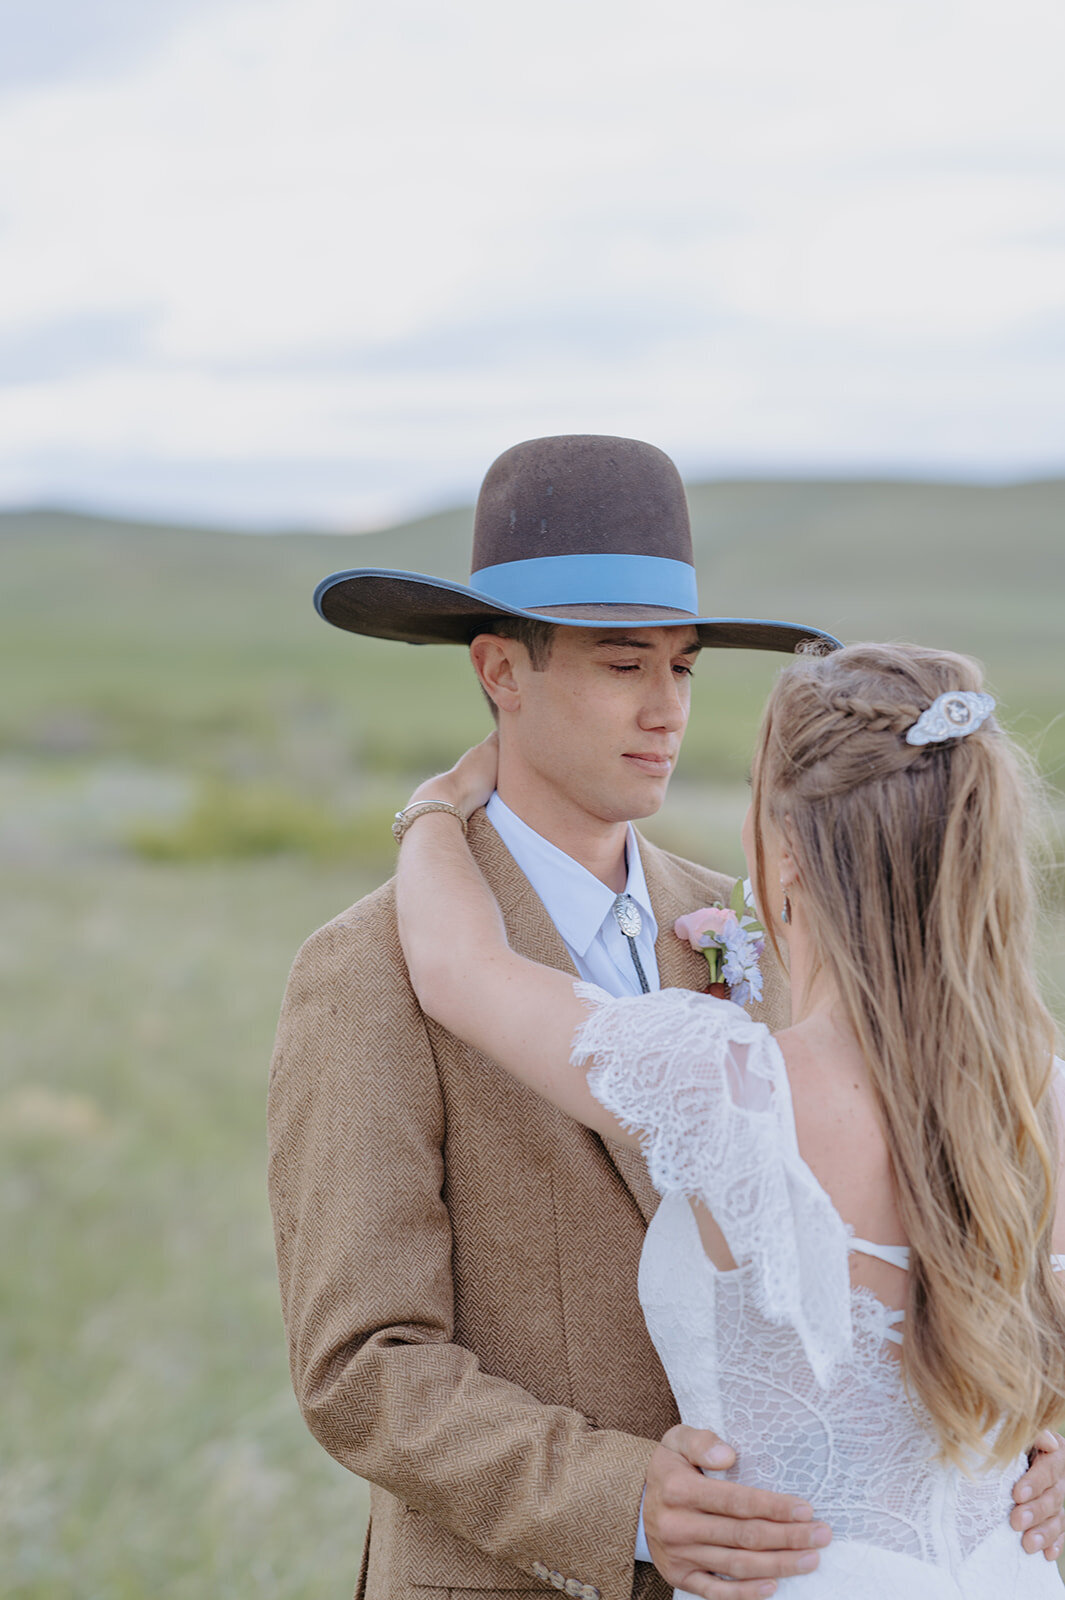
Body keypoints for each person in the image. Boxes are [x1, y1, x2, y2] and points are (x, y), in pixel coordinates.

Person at [267, 436, 1064, 1600]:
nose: (666, 709)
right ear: (500, 670)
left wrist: (1031, 1433)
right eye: (621, 663)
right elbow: (360, 1365)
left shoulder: (758, 924)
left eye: (684, 668)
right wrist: (623, 1499)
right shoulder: (367, 969)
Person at [392, 640, 1065, 1598]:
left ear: (784, 850)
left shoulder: (731, 1083)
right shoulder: (1044, 1098)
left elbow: (456, 967)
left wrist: (432, 806)